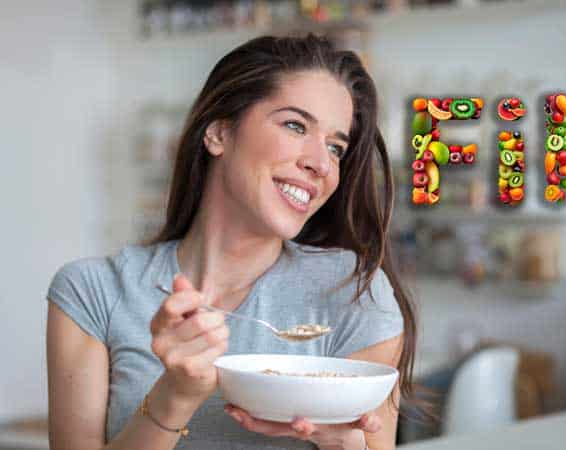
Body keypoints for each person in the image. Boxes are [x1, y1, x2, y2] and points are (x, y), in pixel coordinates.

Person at [46, 34, 417, 450]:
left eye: (335, 147)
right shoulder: (93, 291)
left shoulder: (355, 292)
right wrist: (176, 395)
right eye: (295, 125)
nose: (321, 164)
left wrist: (344, 446)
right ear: (220, 132)